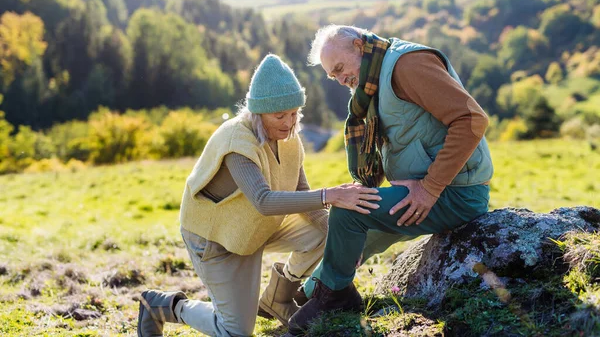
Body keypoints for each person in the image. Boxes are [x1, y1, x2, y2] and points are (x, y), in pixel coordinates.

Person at [137, 54, 381, 337]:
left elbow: (302, 194)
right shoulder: (237, 141)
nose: (289, 123)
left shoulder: (289, 139)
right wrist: (330, 195)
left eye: (294, 114)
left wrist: (340, 240)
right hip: (216, 240)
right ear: (258, 114)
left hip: (256, 228)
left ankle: (277, 298)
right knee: (235, 331)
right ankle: (162, 305)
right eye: (279, 116)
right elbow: (264, 201)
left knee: (325, 230)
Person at [286, 25, 494, 335]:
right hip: (420, 188)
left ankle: (333, 297)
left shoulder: (408, 65)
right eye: (333, 76)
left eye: (341, 68)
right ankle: (322, 285)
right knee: (356, 214)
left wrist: (429, 188)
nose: (341, 79)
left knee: (349, 209)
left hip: (454, 192)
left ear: (359, 46)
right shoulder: (374, 81)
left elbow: (472, 119)